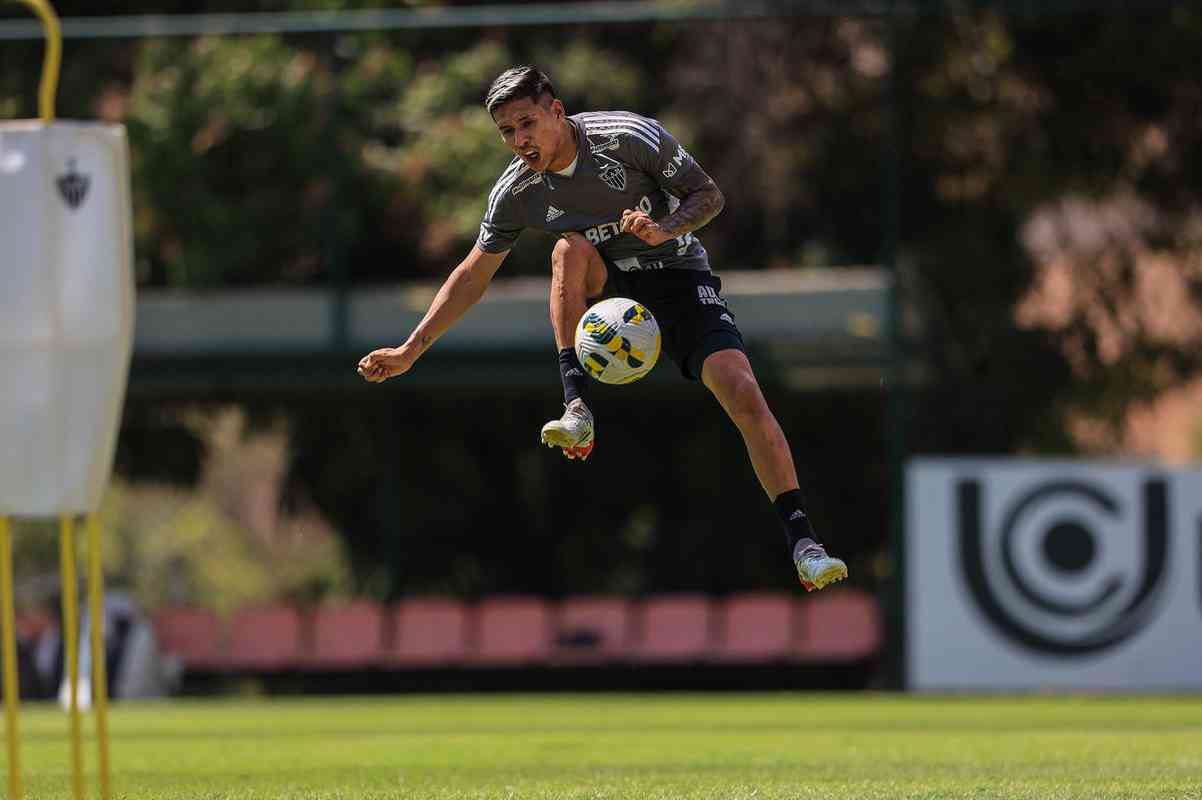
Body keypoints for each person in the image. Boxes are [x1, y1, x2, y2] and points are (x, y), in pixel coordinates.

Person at [358, 66, 847, 591]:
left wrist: (664, 230)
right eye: (506, 132)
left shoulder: (628, 137)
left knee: (743, 392)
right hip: (606, 286)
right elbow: (472, 275)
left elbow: (708, 196)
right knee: (568, 248)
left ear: (557, 111)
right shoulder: (516, 191)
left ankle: (805, 546)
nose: (519, 140)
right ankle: (576, 407)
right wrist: (412, 349)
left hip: (677, 277)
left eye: (527, 123)